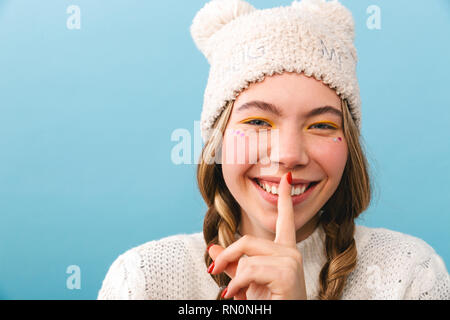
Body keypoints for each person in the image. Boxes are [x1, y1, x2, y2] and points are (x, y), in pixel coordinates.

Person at [97, 0, 449, 300]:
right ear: (217, 141)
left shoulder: (411, 275)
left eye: (322, 126)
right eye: (258, 122)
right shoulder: (144, 280)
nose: (289, 155)